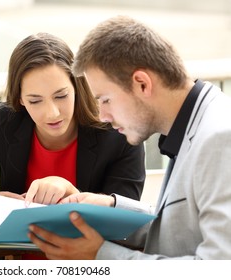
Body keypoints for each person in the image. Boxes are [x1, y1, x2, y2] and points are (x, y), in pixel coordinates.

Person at [28, 16, 231, 260]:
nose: (102, 115)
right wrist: (111, 209)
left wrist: (100, 256)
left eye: (105, 99)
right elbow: (181, 226)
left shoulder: (219, 139)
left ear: (142, 84)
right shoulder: (200, 122)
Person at [0, 32, 145, 206]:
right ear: (20, 99)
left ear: (76, 86)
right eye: (35, 101)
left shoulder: (119, 132)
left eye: (61, 96)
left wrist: (71, 192)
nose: (52, 112)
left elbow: (126, 218)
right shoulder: (5, 123)